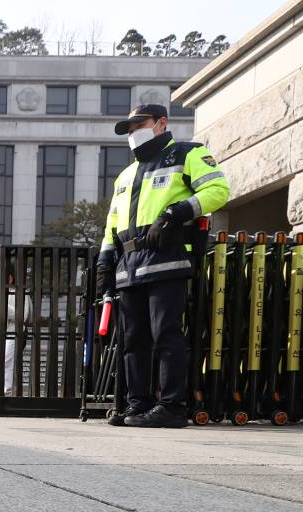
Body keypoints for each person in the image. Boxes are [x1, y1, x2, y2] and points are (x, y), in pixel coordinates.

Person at [98, 104, 229, 428]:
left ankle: (172, 406)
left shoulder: (188, 154)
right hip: (129, 265)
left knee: (165, 335)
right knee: (132, 340)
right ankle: (138, 405)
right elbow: (112, 223)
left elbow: (218, 190)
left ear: (161, 123)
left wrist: (176, 213)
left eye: (139, 124)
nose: (133, 132)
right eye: (129, 128)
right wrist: (104, 262)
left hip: (167, 259)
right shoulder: (126, 175)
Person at [0, 271, 32, 395]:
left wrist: (1, 307)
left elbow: (23, 315)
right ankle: (1, 392)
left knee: (6, 362)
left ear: (10, 278)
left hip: (12, 332)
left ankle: (5, 393)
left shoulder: (21, 293)